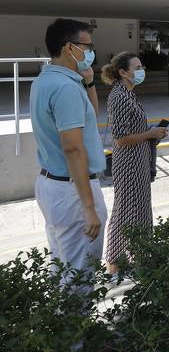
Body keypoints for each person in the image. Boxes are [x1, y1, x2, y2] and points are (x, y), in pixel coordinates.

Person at [30, 18, 107, 279]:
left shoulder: (47, 80)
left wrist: (89, 83)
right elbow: (73, 149)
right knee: (80, 273)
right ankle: (76, 319)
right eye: (88, 46)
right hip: (73, 190)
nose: (91, 52)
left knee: (61, 265)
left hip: (54, 185)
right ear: (69, 48)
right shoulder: (64, 88)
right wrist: (88, 207)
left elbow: (88, 119)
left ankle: (59, 318)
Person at [101, 53, 167, 272]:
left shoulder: (129, 94)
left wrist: (152, 134)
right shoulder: (119, 96)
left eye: (142, 66)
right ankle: (115, 264)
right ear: (123, 72)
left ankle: (138, 256)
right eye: (137, 67)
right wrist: (149, 134)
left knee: (139, 210)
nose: (141, 70)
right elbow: (120, 138)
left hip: (138, 161)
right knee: (125, 212)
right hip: (128, 164)